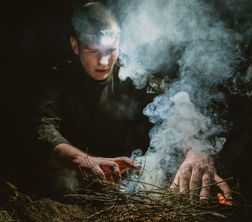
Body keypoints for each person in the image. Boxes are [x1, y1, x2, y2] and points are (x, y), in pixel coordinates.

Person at [32, 2, 231, 200]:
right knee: (64, 185)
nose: (103, 62)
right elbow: (42, 129)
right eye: (93, 51)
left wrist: (195, 150)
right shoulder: (58, 79)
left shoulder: (131, 71)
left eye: (111, 50)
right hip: (79, 171)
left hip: (129, 174)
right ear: (75, 45)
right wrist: (82, 161)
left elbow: (174, 106)